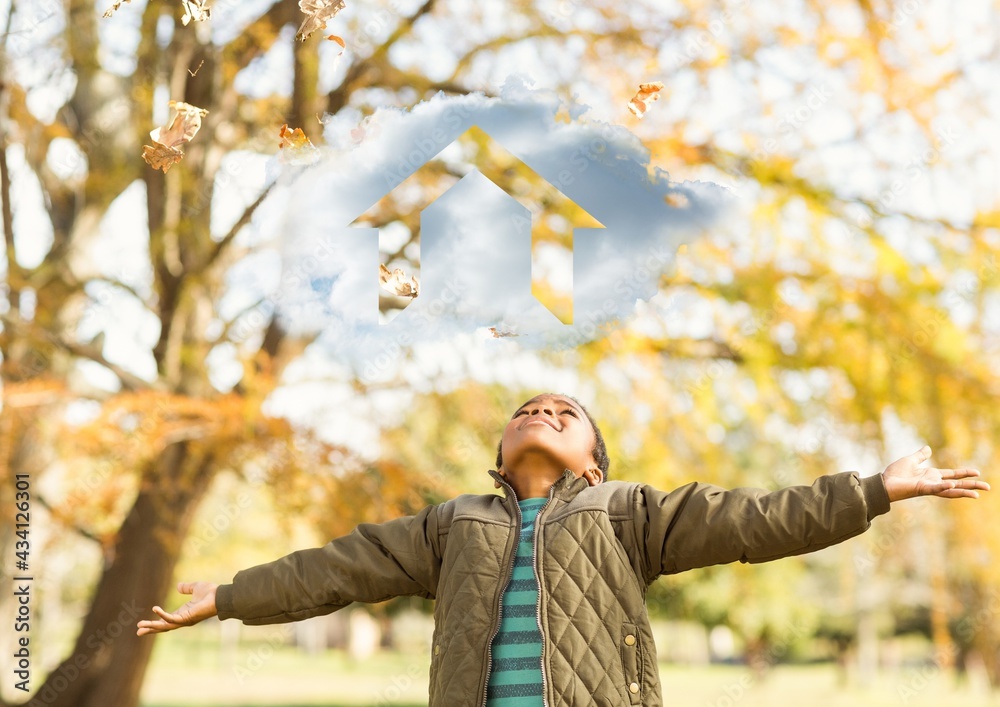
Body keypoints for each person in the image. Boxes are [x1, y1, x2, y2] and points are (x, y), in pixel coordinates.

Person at [137, 392, 988, 706]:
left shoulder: (630, 513)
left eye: (564, 411)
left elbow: (756, 518)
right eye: (525, 410)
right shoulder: (452, 522)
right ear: (499, 451)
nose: (541, 412)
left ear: (594, 457)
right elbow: (336, 568)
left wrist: (875, 488)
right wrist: (233, 593)